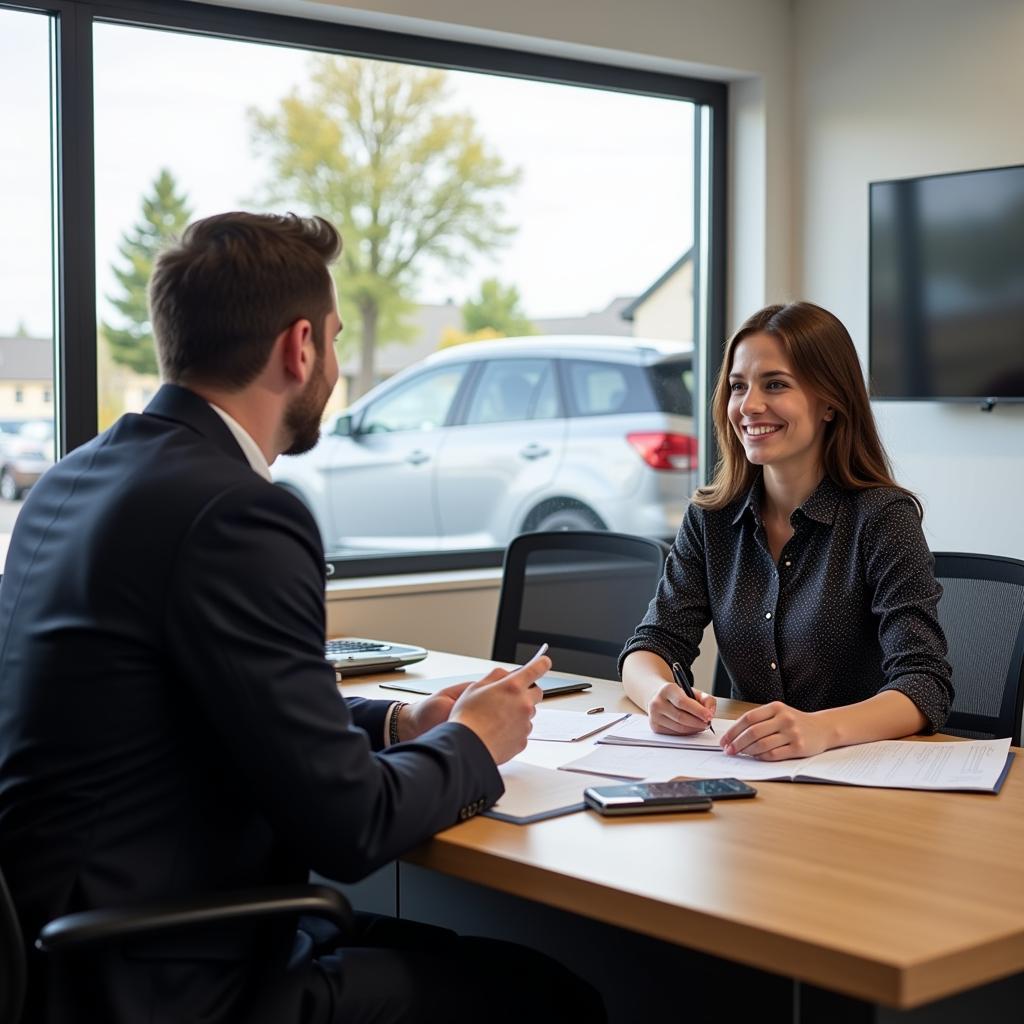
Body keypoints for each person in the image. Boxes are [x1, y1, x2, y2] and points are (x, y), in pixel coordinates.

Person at [0, 212, 605, 1024]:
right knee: (552, 999)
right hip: (177, 980)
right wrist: (476, 741)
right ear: (300, 348)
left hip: (73, 953)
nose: (335, 365)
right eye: (335, 339)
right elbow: (349, 828)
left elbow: (218, 709)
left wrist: (402, 720)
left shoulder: (71, 482)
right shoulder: (237, 512)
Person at [621, 301, 953, 760]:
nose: (749, 405)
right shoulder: (712, 518)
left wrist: (821, 730)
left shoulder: (881, 517)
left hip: (858, 775)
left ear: (830, 403)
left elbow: (924, 683)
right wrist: (658, 693)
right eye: (739, 386)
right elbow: (653, 643)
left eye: (775, 384)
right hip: (753, 769)